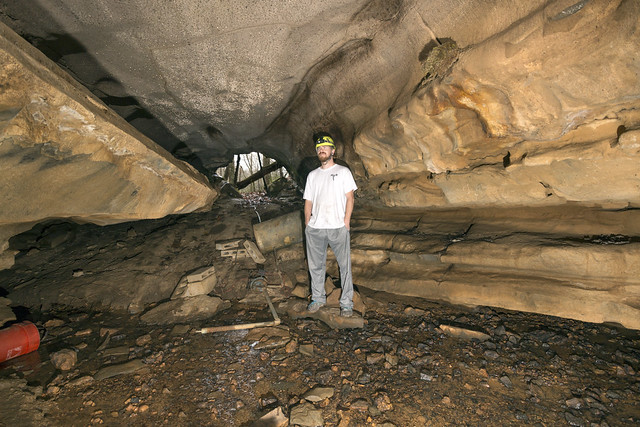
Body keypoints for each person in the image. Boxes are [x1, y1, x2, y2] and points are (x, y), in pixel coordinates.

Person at [303, 132, 358, 317]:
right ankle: (318, 298)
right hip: (316, 228)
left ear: (333, 151)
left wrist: (346, 222)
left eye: (325, 147)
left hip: (337, 227)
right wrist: (307, 224)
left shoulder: (343, 172)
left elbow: (350, 197)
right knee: (315, 266)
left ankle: (347, 303)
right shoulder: (312, 175)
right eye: (319, 148)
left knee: (345, 266)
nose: (321, 150)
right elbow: (308, 201)